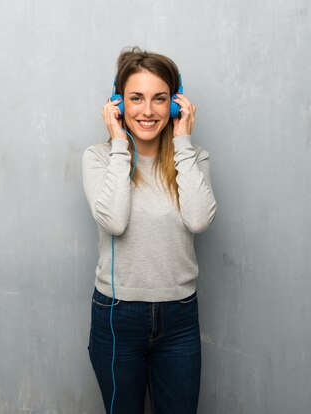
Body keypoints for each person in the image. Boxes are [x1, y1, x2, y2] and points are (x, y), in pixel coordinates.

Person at [82, 47, 217, 413]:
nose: (147, 110)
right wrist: (119, 143)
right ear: (117, 103)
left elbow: (200, 219)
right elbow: (114, 221)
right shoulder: (98, 158)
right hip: (117, 315)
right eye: (135, 98)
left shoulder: (194, 158)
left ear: (176, 105)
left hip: (179, 317)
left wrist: (183, 141)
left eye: (160, 99)